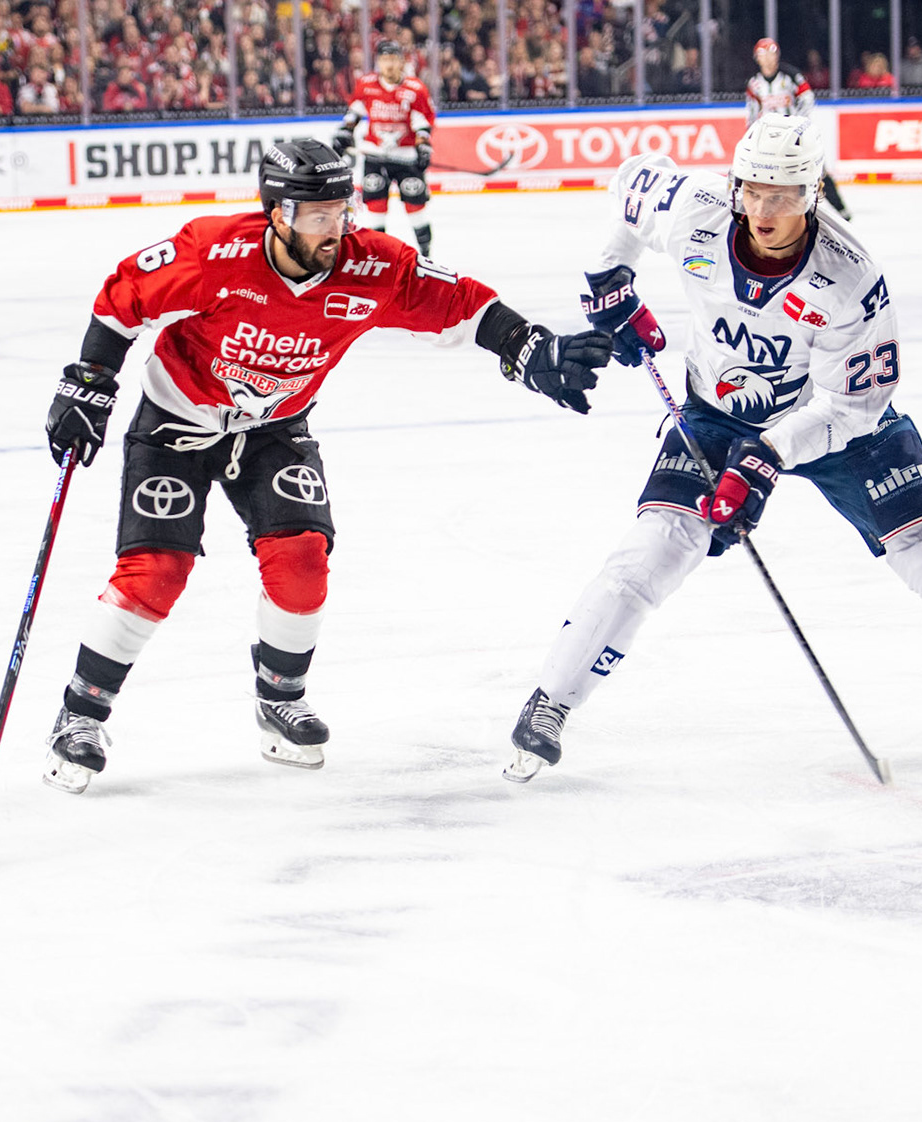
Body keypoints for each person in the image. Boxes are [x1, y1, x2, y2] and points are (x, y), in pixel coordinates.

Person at [503, 117, 922, 781]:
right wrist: (610, 277)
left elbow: (851, 406)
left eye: (782, 195)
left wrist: (766, 458)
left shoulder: (851, 279)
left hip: (832, 422)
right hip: (716, 410)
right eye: (752, 190)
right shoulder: (697, 211)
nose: (763, 209)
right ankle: (550, 702)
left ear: (812, 194)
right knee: (657, 548)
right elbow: (633, 184)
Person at [37, 139, 615, 792]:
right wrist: (87, 381)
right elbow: (122, 298)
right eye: (318, 216)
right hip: (176, 425)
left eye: (341, 212)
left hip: (275, 429)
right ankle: (79, 715)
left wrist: (527, 346)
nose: (335, 230)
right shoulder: (214, 251)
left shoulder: (371, 267)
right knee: (156, 572)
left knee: (304, 557)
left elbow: (460, 303)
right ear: (277, 214)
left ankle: (280, 697)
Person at [333, 40, 439, 255]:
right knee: (376, 208)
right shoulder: (366, 85)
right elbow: (354, 113)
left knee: (415, 208)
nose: (388, 64)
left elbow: (423, 123)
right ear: (378, 62)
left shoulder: (415, 89)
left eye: (393, 59)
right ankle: (378, 256)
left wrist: (423, 145)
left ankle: (426, 255)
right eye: (384, 59)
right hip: (376, 156)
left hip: (406, 158)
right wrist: (346, 132)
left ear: (401, 61)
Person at [745, 37, 852, 220]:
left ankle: (841, 210)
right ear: (757, 58)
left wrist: (798, 123)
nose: (769, 59)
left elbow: (807, 97)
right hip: (771, 138)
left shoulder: (790, 75)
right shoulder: (754, 83)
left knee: (817, 170)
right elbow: (753, 111)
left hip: (795, 135)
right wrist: (753, 134)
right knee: (770, 174)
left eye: (772, 54)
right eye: (764, 55)